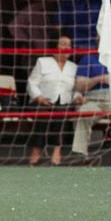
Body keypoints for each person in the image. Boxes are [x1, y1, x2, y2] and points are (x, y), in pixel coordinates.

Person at [26, 33, 84, 165]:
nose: (66, 47)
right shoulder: (43, 62)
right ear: (55, 46)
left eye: (69, 45)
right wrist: (40, 98)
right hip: (42, 101)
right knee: (42, 115)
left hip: (64, 102)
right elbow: (32, 83)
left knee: (61, 115)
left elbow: (75, 91)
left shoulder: (73, 67)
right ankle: (36, 152)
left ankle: (56, 151)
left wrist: (78, 98)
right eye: (63, 44)